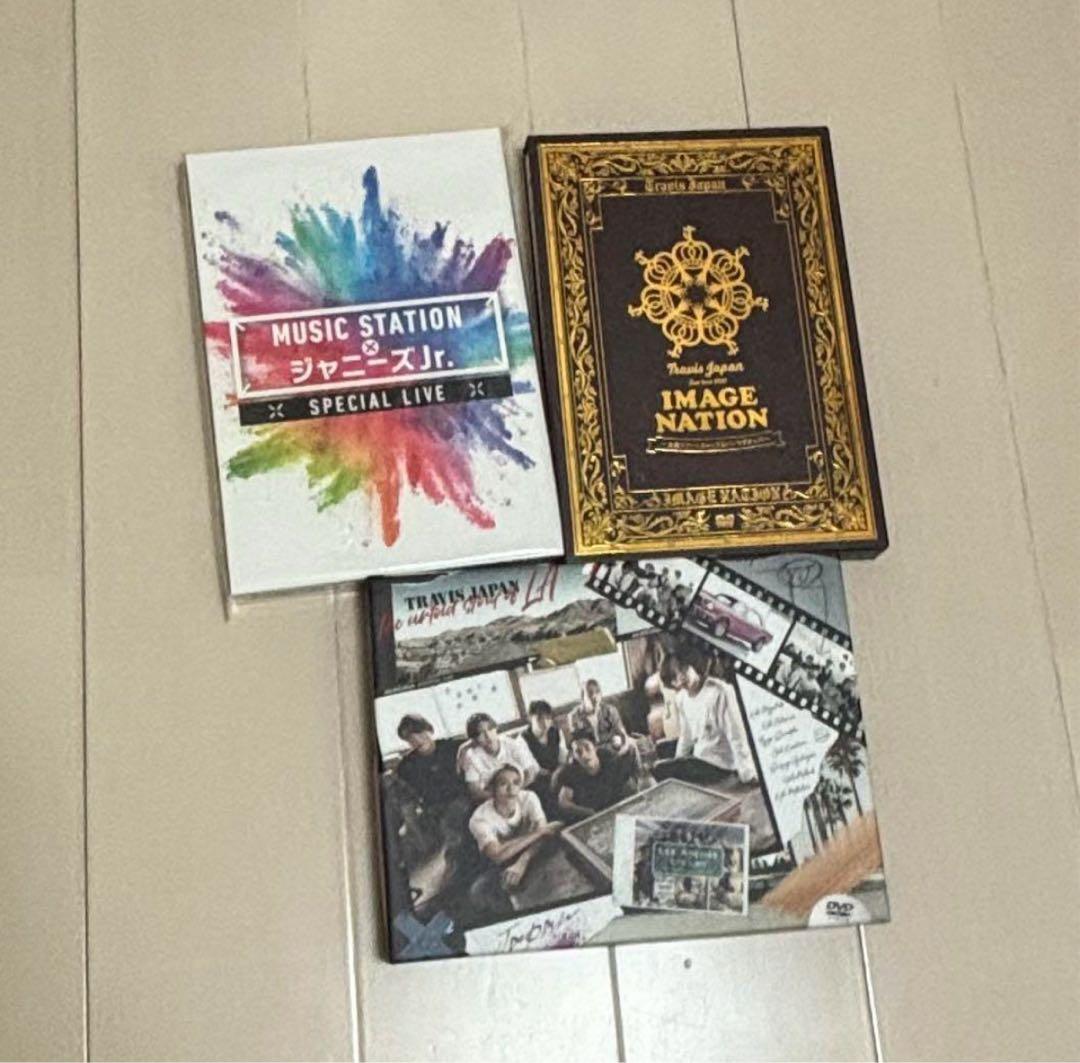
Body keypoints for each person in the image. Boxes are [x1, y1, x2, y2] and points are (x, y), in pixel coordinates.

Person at [467, 765, 562, 914]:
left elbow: (545, 835)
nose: (511, 789)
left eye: (516, 782)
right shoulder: (479, 818)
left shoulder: (529, 798)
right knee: (479, 891)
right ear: (491, 789)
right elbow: (497, 855)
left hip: (532, 851)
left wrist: (523, 861)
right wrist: (538, 832)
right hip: (502, 863)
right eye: (503, 784)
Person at [653, 653, 758, 785]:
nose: (681, 677)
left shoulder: (720, 692)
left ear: (692, 664)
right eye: (674, 677)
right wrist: (678, 760)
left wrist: (747, 773)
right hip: (700, 752)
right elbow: (686, 735)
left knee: (659, 769)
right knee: (661, 748)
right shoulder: (682, 698)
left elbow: (736, 735)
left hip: (718, 763)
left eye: (683, 669)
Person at [554, 729, 637, 820]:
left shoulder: (610, 760)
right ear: (574, 756)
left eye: (587, 748)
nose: (584, 755)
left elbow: (629, 784)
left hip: (619, 812)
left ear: (595, 747)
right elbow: (564, 802)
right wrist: (589, 813)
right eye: (578, 751)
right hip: (591, 818)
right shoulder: (570, 773)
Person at [458, 712, 539, 803]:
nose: (488, 736)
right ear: (474, 739)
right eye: (481, 733)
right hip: (492, 799)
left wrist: (513, 792)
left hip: (521, 790)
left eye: (490, 729)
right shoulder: (472, 756)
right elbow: (475, 792)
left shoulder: (511, 744)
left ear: (496, 729)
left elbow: (530, 773)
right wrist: (501, 796)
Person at [394, 714, 465, 809]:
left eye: (419, 733)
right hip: (437, 809)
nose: (417, 740)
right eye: (410, 738)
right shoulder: (407, 766)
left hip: (465, 800)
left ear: (430, 730)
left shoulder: (454, 747)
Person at [570, 678, 630, 754]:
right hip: (590, 753)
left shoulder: (610, 710)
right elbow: (576, 742)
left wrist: (623, 746)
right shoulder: (575, 716)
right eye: (590, 693)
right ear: (582, 697)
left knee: (632, 747)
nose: (595, 696)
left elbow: (622, 733)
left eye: (597, 692)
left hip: (611, 748)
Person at [521, 700, 567, 774]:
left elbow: (563, 757)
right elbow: (532, 768)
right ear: (530, 718)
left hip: (559, 773)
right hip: (539, 777)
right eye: (539, 719)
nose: (545, 723)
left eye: (548, 718)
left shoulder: (556, 732)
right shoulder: (523, 740)